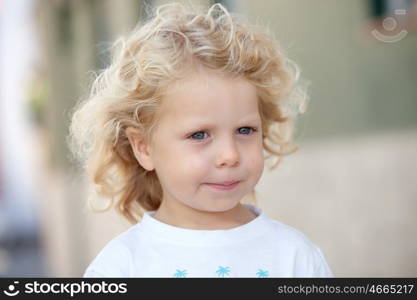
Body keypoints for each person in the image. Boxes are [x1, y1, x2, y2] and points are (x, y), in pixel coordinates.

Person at [68, 2, 333, 278]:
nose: (230, 155)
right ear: (144, 147)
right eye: (199, 135)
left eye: (244, 130)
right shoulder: (120, 268)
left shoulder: (296, 257)